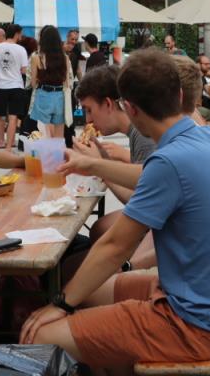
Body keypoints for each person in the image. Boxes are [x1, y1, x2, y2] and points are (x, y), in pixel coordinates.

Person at [20, 50, 210, 372]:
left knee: (39, 334)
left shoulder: (169, 162)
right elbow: (151, 175)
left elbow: (115, 246)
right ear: (180, 96)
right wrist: (92, 164)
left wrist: (60, 304)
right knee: (85, 289)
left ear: (129, 108)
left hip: (193, 324)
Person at [61, 65, 157, 269]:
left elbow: (140, 200)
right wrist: (103, 162)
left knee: (72, 263)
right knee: (98, 229)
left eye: (89, 110)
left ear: (107, 104)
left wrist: (99, 166)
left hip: (158, 232)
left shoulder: (143, 135)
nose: (87, 119)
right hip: (156, 219)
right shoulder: (136, 131)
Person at [0, 24, 29, 148]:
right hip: (16, 86)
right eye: (20, 33)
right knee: (13, 118)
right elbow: (24, 70)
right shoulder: (21, 49)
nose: (21, 36)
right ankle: (9, 148)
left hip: (0, 86)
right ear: (16, 34)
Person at [29, 25, 72, 139]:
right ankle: (58, 150)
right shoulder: (65, 58)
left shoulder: (36, 58)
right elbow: (67, 82)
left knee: (43, 132)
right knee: (59, 134)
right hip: (60, 96)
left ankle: (46, 150)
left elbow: (33, 83)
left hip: (43, 94)